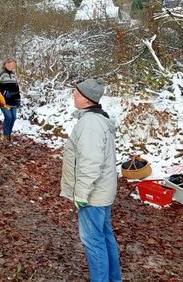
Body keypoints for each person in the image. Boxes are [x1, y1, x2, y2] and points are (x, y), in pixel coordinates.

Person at [60, 78, 122, 282]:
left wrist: (81, 194)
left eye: (77, 93)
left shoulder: (90, 124)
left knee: (94, 242)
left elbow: (90, 163)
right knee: (104, 237)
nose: (73, 95)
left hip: (93, 196)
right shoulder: (95, 119)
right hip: (101, 192)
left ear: (87, 100)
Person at [0, 58, 21, 144]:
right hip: (4, 100)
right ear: (6, 63)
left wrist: (18, 99)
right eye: (11, 64)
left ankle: (9, 135)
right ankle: (5, 136)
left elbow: (16, 88)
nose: (12, 66)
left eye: (13, 65)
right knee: (8, 117)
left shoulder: (13, 75)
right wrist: (4, 92)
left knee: (13, 118)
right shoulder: (0, 73)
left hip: (13, 100)